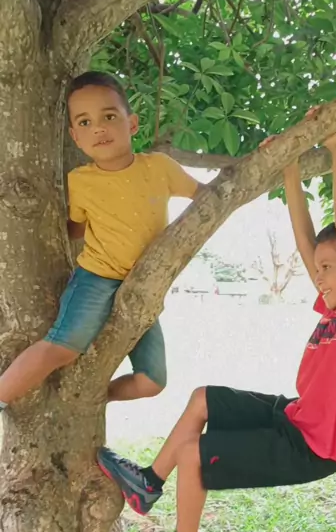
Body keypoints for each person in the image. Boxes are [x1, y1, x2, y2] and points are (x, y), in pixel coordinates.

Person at [98, 125, 336, 532]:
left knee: (195, 454)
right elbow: (306, 239)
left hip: (312, 449)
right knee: (203, 398)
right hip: (295, 417)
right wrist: (290, 167)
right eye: (317, 268)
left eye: (327, 268)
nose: (317, 276)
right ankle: (148, 484)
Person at [0, 71, 201, 414]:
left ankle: (91, 396)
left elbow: (213, 197)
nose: (98, 128)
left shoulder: (160, 167)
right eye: (85, 122)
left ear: (131, 123)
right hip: (96, 278)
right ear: (76, 137)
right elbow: (76, 229)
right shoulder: (80, 181)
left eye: (109, 116)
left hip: (144, 287)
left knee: (152, 381)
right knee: (63, 348)